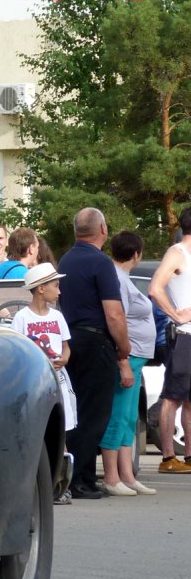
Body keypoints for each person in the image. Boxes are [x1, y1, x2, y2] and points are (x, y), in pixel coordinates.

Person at [58, 207, 129, 499]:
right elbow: (113, 313)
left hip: (71, 341)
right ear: (102, 229)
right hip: (96, 341)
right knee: (96, 414)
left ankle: (82, 476)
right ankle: (78, 481)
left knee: (78, 412)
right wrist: (123, 346)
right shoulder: (101, 263)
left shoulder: (66, 260)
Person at [98, 232, 156, 495]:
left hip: (136, 356)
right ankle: (111, 476)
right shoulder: (118, 279)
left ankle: (127, 474)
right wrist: (122, 361)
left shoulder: (123, 278)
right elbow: (117, 317)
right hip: (128, 356)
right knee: (118, 415)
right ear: (136, 254)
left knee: (129, 417)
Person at [13, 262, 76, 503]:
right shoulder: (22, 318)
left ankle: (61, 485)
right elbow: (20, 349)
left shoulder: (58, 317)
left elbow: (66, 347)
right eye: (55, 286)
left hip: (58, 379)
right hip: (36, 382)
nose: (59, 291)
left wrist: (64, 359)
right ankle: (38, 485)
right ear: (41, 289)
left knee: (62, 433)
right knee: (39, 431)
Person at [148, 205, 191, 474]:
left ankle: (188, 455)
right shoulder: (177, 253)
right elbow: (154, 288)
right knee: (173, 397)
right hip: (184, 335)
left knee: (189, 400)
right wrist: (176, 315)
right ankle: (167, 457)